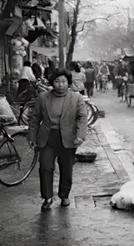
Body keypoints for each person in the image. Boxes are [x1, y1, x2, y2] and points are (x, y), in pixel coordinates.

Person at [28, 69, 88, 211]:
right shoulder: (43, 97)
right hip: (48, 138)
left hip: (68, 138)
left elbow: (82, 117)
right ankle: (47, 197)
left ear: (68, 83)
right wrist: (31, 136)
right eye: (57, 81)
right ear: (52, 83)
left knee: (66, 168)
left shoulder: (76, 98)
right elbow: (35, 118)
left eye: (63, 82)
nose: (60, 85)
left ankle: (64, 195)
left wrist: (80, 135)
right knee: (45, 167)